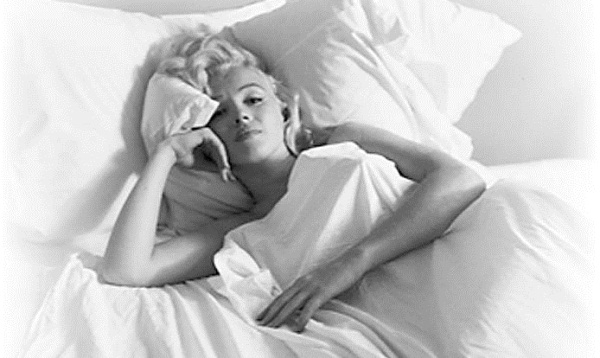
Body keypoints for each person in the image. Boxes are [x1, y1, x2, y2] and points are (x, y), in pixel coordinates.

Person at [100, 30, 486, 333]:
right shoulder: (240, 229)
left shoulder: (344, 140)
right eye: (218, 112)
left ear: (283, 106)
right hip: (405, 319)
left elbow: (460, 179)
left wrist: (352, 263)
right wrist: (166, 154)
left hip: (464, 268)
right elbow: (126, 271)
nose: (241, 116)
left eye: (253, 99)